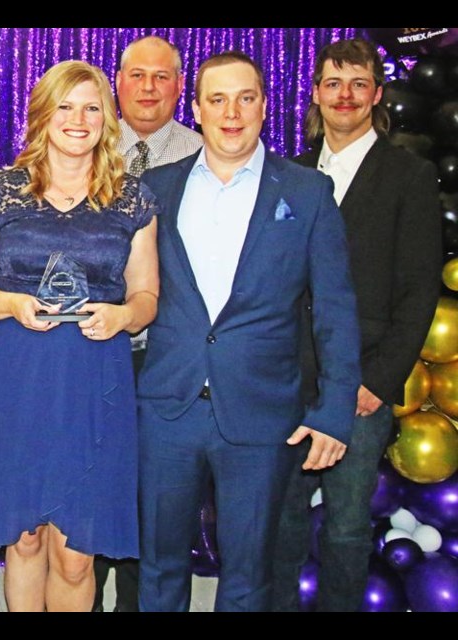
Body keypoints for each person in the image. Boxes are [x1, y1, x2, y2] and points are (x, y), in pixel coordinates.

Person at [136, 51, 361, 612]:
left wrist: (334, 411)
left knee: (248, 574)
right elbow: (112, 278)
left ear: (264, 106)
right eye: (217, 99)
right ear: (196, 109)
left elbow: (335, 309)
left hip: (262, 415)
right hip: (167, 407)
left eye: (245, 98)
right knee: (158, 567)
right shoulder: (153, 188)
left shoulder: (308, 193)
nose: (231, 113)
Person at [0, 60, 159, 612]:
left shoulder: (132, 198)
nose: (78, 118)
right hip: (19, 376)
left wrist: (121, 316)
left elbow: (147, 298)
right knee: (26, 535)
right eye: (65, 105)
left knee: (76, 551)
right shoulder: (3, 192)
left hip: (95, 379)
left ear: (106, 119)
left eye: (91, 107)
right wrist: (9, 304)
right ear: (43, 115)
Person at [271, 38, 441, 612]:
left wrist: (378, 379)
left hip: (361, 386)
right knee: (283, 522)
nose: (345, 95)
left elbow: (419, 289)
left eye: (358, 83)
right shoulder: (287, 173)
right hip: (288, 381)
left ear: (376, 93)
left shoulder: (408, 175)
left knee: (345, 527)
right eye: (333, 84)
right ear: (316, 93)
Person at [92, 33, 203, 613]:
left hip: (165, 356)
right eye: (138, 75)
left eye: (162, 77)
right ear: (119, 82)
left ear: (180, 87)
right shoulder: (83, 143)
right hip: (88, 349)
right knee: (92, 483)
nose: (149, 88)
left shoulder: (204, 155)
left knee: (151, 498)